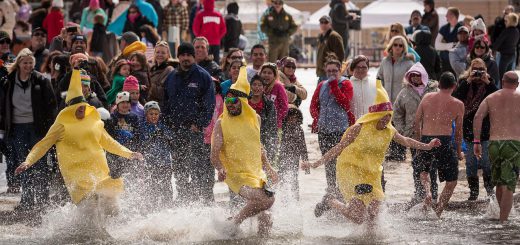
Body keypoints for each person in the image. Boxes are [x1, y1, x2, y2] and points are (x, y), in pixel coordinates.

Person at [14, 68, 143, 228]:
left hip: (98, 172)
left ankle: (113, 237)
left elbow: (109, 142)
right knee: (90, 216)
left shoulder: (94, 121)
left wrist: (130, 154)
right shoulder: (60, 125)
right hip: (76, 176)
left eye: (83, 105)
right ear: (70, 107)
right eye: (78, 106)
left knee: (113, 210)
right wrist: (28, 161)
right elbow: (43, 144)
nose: (82, 109)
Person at [303, 80, 441, 226]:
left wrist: (427, 146)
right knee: (358, 217)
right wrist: (315, 163)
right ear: (375, 115)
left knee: (374, 215)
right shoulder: (359, 128)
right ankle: (331, 201)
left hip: (372, 174)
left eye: (389, 115)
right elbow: (339, 147)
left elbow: (406, 141)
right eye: (383, 115)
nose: (386, 119)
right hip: (351, 169)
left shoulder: (390, 131)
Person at [211, 66, 279, 236]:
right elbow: (214, 153)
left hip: (255, 173)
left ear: (243, 102)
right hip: (236, 175)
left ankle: (246, 233)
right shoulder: (221, 123)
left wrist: (269, 167)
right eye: (227, 101)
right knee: (267, 199)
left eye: (234, 102)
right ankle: (234, 222)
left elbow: (259, 146)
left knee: (267, 219)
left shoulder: (255, 118)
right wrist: (220, 168)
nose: (230, 105)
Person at [1, 48, 57, 209]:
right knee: (23, 164)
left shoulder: (41, 80)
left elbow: (51, 105)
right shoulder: (8, 81)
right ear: (19, 63)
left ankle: (42, 200)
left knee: (39, 164)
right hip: (17, 128)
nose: (28, 66)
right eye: (25, 62)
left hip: (37, 128)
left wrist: (51, 129)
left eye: (31, 63)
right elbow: (3, 107)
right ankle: (26, 200)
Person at [163, 43, 216, 205]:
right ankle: (183, 199)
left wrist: (199, 123)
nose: (186, 58)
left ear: (194, 57)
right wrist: (168, 125)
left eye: (189, 55)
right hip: (176, 131)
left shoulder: (203, 76)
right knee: (179, 167)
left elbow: (209, 104)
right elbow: (166, 103)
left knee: (199, 167)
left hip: (195, 131)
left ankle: (202, 201)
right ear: (178, 57)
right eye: (183, 55)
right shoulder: (171, 77)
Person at [413, 72, 464, 217]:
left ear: (439, 84)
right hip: (445, 141)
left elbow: (416, 123)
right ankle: (439, 211)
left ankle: (428, 193)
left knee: (424, 170)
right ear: (454, 86)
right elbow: (459, 132)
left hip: (426, 138)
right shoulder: (458, 104)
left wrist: (418, 144)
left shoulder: (427, 97)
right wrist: (459, 151)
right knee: (452, 180)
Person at [473, 71, 520, 222]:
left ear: (502, 81)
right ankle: (503, 222)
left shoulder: (491, 97)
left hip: (494, 144)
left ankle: (501, 216)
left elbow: (477, 117)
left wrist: (476, 141)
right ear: (517, 84)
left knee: (499, 182)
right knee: (509, 184)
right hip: (513, 144)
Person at [393, 62, 439, 204]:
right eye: (412, 75)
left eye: (418, 76)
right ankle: (419, 193)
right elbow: (397, 113)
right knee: (417, 164)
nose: (415, 78)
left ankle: (434, 194)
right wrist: (402, 130)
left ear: (423, 76)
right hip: (413, 136)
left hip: (432, 133)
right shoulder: (404, 92)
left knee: (432, 165)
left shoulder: (434, 91)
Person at [454, 59, 498, 200]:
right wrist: (468, 81)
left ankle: (490, 191)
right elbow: (456, 98)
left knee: (486, 161)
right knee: (471, 162)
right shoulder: (464, 81)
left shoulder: (489, 83)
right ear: (470, 69)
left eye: (481, 69)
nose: (478, 72)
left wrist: (488, 82)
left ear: (485, 70)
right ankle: (474, 193)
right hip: (468, 127)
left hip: (485, 128)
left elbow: (497, 97)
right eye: (475, 69)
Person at [310, 58, 355, 196]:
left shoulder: (346, 84)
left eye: (334, 71)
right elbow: (313, 105)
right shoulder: (321, 85)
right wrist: (317, 118)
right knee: (328, 161)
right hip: (324, 130)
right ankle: (331, 190)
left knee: (341, 162)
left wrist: (335, 86)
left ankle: (343, 191)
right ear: (325, 71)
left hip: (341, 130)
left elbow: (346, 104)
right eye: (329, 71)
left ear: (340, 70)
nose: (331, 73)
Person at [138, 101, 175, 210]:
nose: (154, 116)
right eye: (151, 114)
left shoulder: (162, 127)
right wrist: (151, 138)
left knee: (166, 185)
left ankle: (168, 206)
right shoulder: (142, 127)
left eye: (156, 114)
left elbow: (171, 140)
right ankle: (152, 207)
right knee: (152, 186)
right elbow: (141, 144)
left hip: (165, 163)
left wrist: (166, 136)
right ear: (146, 115)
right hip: (150, 164)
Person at [279, 105, 308, 199]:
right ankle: (283, 198)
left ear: (298, 118)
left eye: (294, 118)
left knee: (294, 178)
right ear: (286, 118)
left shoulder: (299, 130)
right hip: (282, 157)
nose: (292, 120)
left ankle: (296, 198)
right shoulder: (282, 129)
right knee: (282, 178)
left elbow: (303, 147)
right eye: (290, 117)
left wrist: (306, 163)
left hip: (295, 158)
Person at [249, 75, 278, 165]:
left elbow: (272, 126)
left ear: (263, 88)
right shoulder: (244, 102)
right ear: (250, 87)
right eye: (254, 84)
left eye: (259, 85)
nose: (257, 87)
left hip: (264, 139)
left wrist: (271, 146)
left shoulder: (269, 105)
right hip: (247, 138)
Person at [377, 36, 414, 103]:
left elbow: (412, 83)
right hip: (385, 100)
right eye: (395, 45)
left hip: (402, 101)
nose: (398, 47)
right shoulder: (385, 61)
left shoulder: (409, 63)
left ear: (404, 48)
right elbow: (379, 78)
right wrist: (380, 92)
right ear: (391, 46)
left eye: (400, 45)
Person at [192, 0, 227, 64]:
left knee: (203, 61)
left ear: (204, 3)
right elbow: (224, 29)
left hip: (203, 44)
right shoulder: (218, 15)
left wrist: (200, 39)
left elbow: (195, 28)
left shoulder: (200, 14)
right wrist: (218, 37)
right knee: (215, 61)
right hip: (216, 42)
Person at [491, 13, 520, 82]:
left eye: (506, 21)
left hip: (504, 56)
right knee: (510, 75)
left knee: (502, 76)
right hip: (512, 55)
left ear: (510, 21)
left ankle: (502, 90)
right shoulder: (517, 31)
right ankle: (509, 89)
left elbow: (498, 42)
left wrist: (493, 50)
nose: (505, 22)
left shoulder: (506, 31)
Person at [316, 15, 345, 82]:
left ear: (330, 24)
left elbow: (340, 55)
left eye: (326, 22)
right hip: (321, 73)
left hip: (330, 73)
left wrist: (335, 70)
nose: (323, 24)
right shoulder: (321, 36)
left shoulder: (334, 36)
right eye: (321, 22)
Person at [260, 62, 288, 129]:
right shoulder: (258, 86)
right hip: (260, 123)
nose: (266, 75)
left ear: (274, 76)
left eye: (269, 73)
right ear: (260, 74)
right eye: (264, 72)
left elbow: (284, 107)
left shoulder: (278, 86)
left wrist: (276, 119)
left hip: (275, 125)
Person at [435, 7, 462, 74]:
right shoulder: (444, 28)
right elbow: (437, 45)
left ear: (453, 16)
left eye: (448, 14)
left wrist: (444, 46)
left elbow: (461, 45)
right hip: (444, 62)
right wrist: (451, 45)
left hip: (457, 61)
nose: (446, 16)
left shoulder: (461, 28)